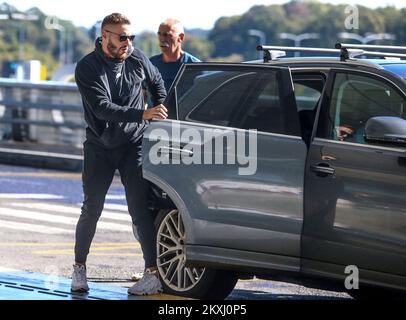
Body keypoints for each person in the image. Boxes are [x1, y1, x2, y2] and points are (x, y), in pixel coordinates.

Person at [71, 13, 168, 296]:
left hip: (133, 145)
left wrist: (158, 107)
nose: (128, 43)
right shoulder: (87, 67)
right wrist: (143, 113)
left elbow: (158, 84)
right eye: (122, 37)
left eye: (131, 37)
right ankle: (79, 269)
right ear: (105, 36)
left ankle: (152, 274)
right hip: (99, 146)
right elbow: (102, 107)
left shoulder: (137, 59)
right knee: (92, 208)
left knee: (140, 209)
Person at [149, 18, 200, 92]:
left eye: (167, 35)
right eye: (159, 34)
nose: (162, 39)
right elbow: (143, 95)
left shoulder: (195, 67)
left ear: (181, 37)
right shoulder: (150, 65)